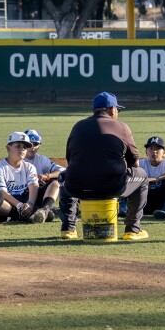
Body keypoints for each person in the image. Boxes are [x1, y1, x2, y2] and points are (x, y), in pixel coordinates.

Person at [58, 92, 149, 241]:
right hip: (112, 187)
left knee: (64, 176)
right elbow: (134, 163)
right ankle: (132, 230)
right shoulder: (121, 127)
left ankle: (68, 229)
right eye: (117, 110)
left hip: (77, 187)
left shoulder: (78, 126)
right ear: (112, 109)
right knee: (142, 177)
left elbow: (70, 159)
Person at [0, 132, 59, 223]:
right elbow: (2, 192)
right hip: (9, 203)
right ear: (8, 148)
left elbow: (34, 186)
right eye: (18, 146)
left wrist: (30, 203)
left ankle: (44, 211)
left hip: (27, 200)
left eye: (24, 147)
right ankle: (21, 215)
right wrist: (19, 205)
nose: (22, 149)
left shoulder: (29, 167)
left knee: (54, 183)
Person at [135, 136, 165, 219]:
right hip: (146, 203)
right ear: (146, 152)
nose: (154, 152)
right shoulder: (142, 164)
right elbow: (128, 173)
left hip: (161, 205)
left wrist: (157, 178)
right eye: (151, 148)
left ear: (164, 152)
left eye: (157, 149)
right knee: (130, 180)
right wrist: (144, 181)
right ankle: (124, 207)